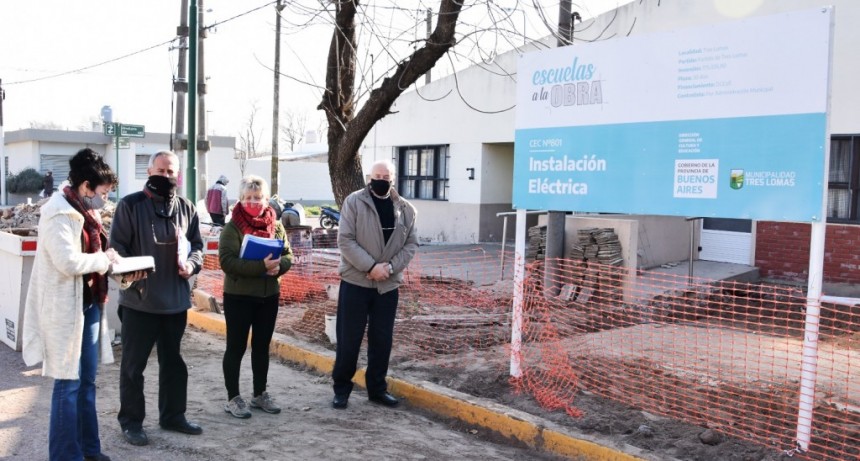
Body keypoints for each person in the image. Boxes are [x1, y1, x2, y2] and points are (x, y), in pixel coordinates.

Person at [22, 148, 119, 461]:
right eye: (102, 193)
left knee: (87, 382)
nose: (104, 200)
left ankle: (89, 450)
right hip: (64, 308)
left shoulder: (84, 210)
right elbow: (67, 261)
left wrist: (111, 261)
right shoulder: (57, 211)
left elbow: (91, 255)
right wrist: (102, 259)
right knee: (68, 383)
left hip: (87, 306)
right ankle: (66, 455)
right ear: (86, 186)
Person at [109, 150, 205, 446]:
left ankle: (173, 416)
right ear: (149, 171)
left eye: (171, 172)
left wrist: (191, 265)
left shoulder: (187, 208)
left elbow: (198, 247)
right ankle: (131, 422)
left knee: (174, 363)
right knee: (133, 366)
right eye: (161, 171)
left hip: (175, 302)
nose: (166, 176)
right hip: (140, 302)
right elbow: (117, 248)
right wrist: (132, 269)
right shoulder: (130, 205)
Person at [331, 159, 418, 409]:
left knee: (382, 341)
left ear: (393, 179)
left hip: (387, 287)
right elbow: (345, 240)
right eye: (377, 175)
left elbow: (411, 244)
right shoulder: (354, 202)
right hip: (356, 282)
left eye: (386, 175)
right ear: (370, 177)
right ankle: (342, 390)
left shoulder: (406, 209)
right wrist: (370, 267)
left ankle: (377, 389)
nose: (381, 180)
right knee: (349, 340)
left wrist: (389, 268)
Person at [218, 175, 293, 418]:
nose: (254, 202)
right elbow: (227, 262)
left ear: (266, 199)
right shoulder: (232, 228)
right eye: (249, 198)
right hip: (239, 296)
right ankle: (233, 397)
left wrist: (278, 266)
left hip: (268, 296)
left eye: (258, 197)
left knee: (261, 347)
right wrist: (262, 266)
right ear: (240, 199)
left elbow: (288, 254)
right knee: (236, 347)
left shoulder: (276, 224)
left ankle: (259, 394)